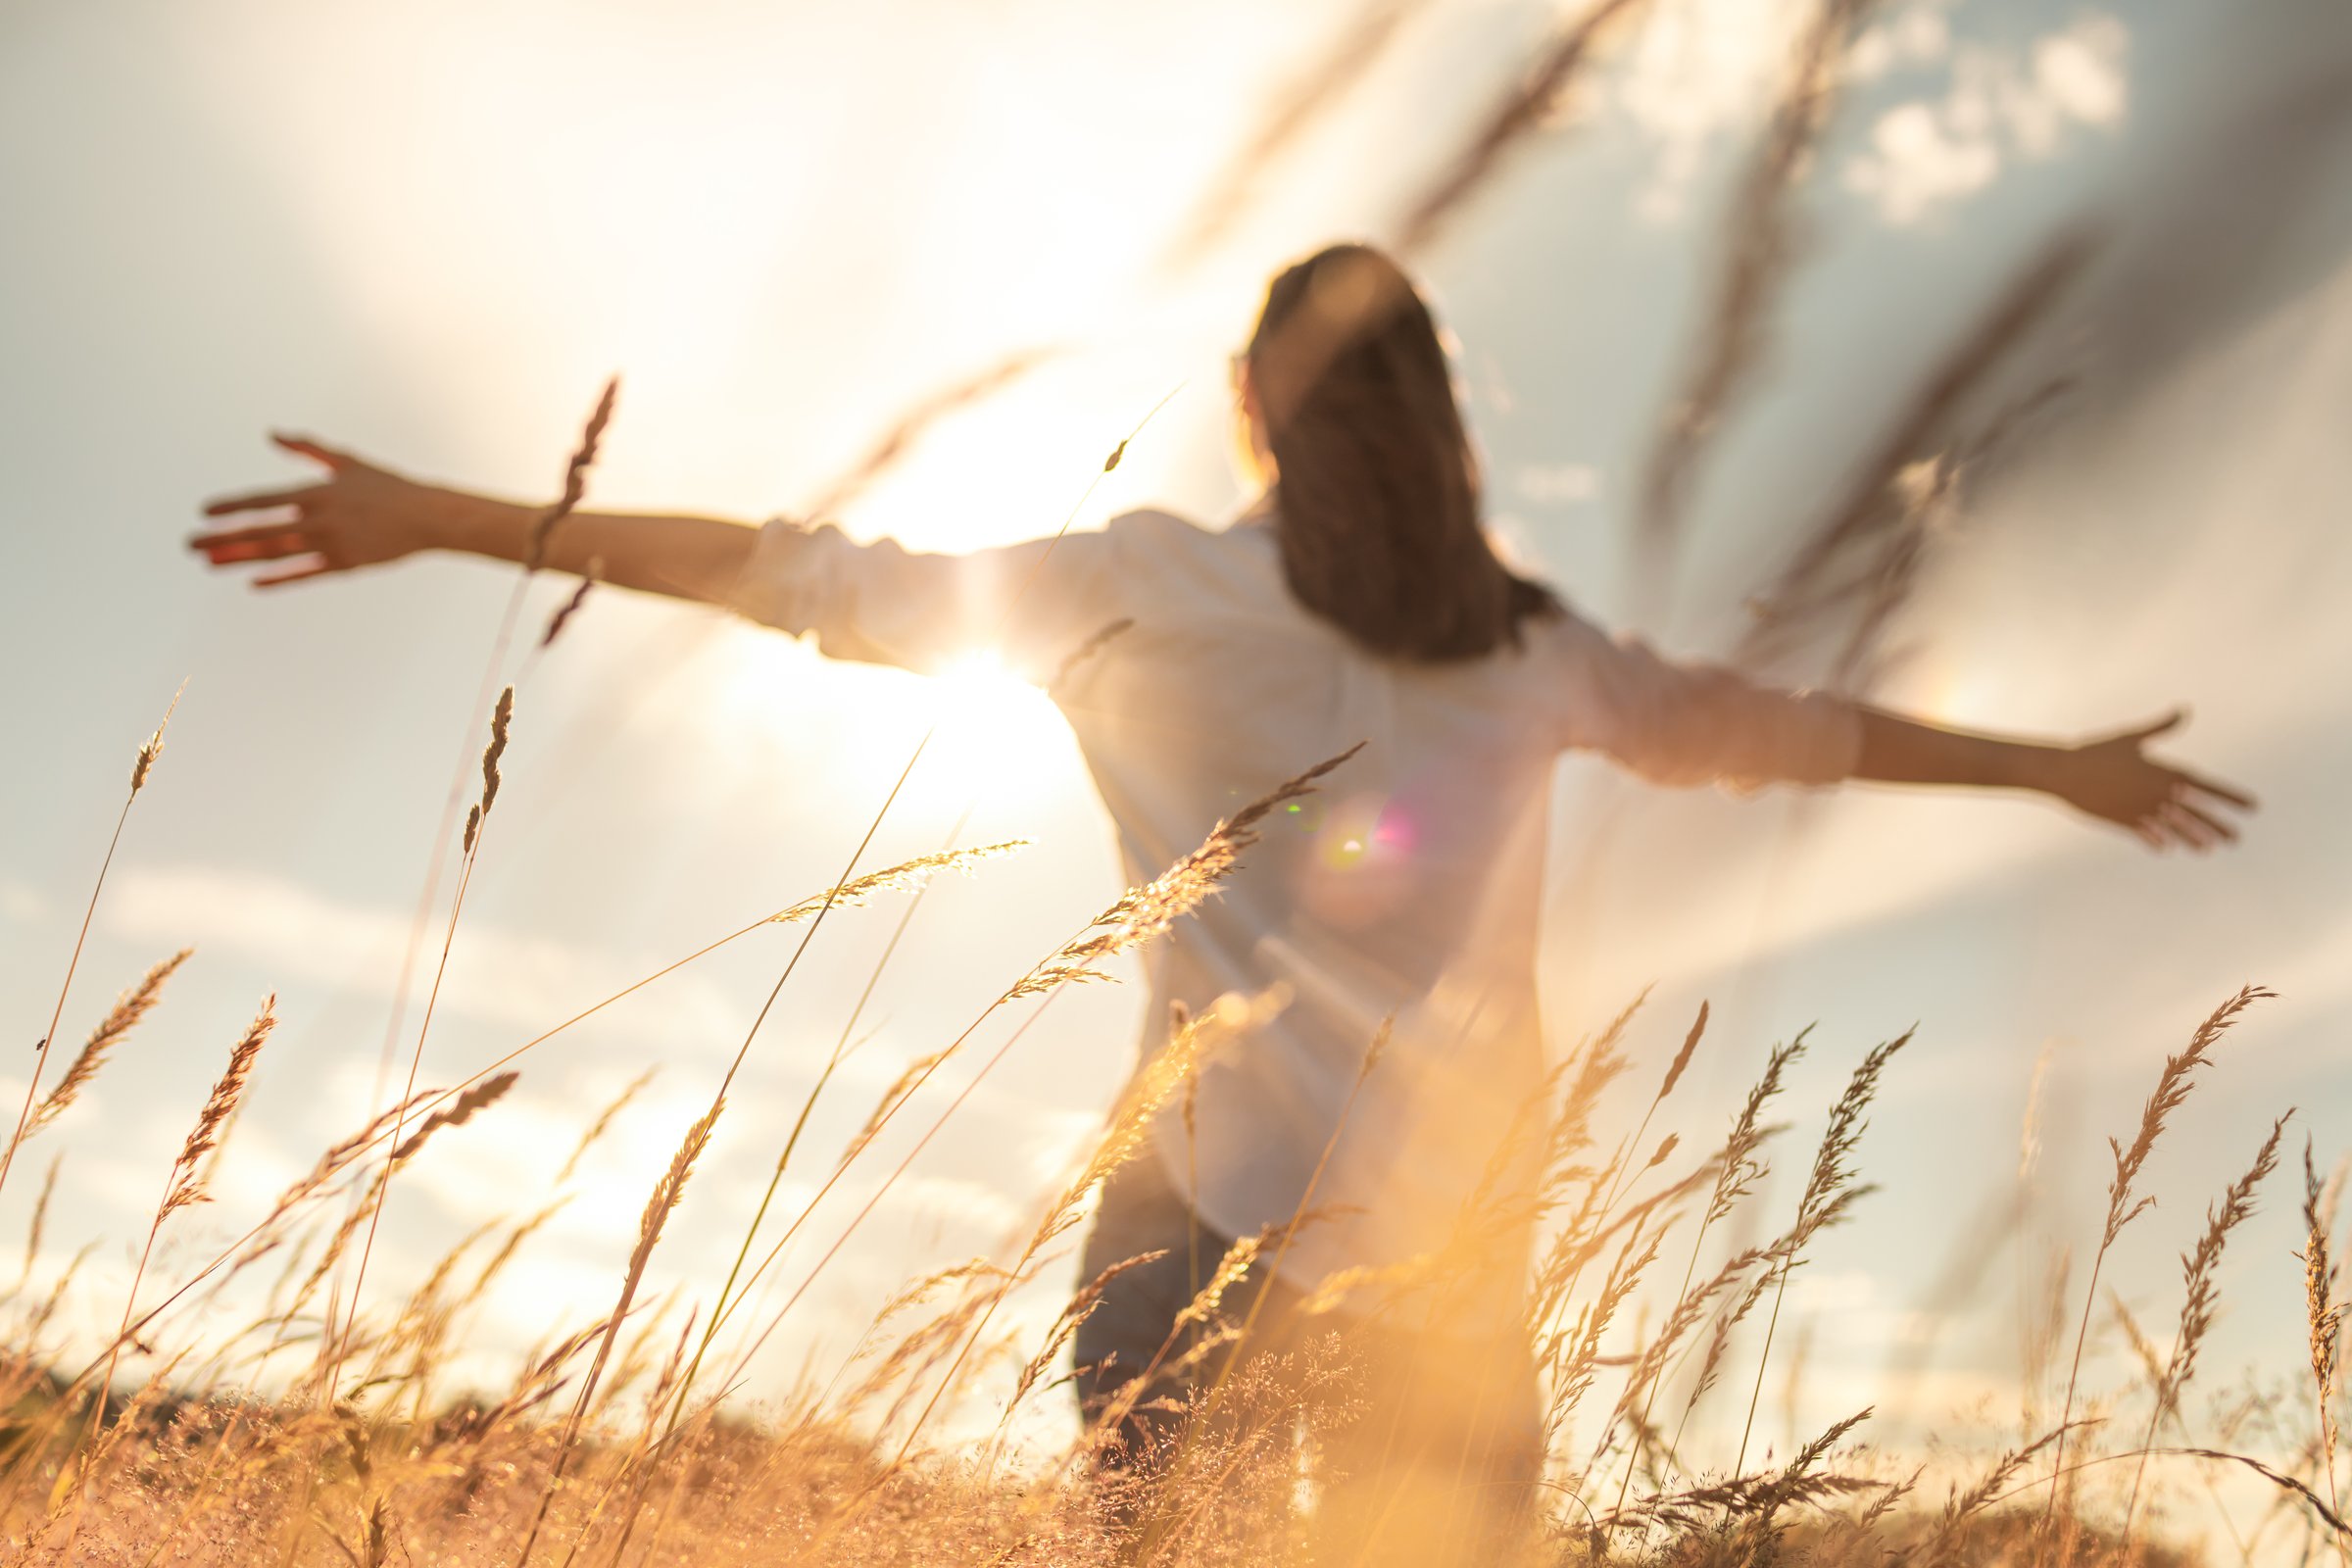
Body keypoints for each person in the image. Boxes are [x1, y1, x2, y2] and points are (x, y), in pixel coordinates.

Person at [191, 243, 2253, 1558]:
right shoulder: (1535, 650)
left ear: (1258, 411)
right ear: (1443, 429)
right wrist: (2052, 768)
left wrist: (447, 519)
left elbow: (792, 568)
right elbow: (1787, 730)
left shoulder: (1147, 587)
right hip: (1443, 1268)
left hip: (1183, 1219)